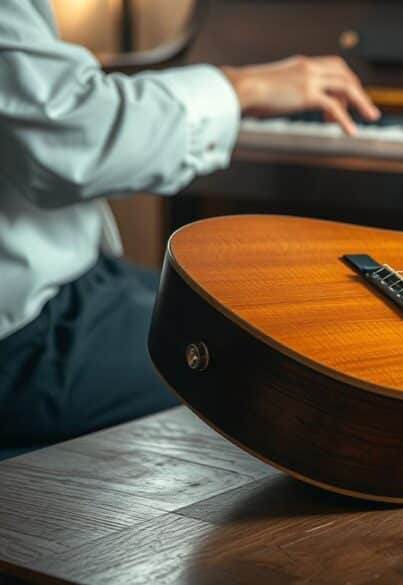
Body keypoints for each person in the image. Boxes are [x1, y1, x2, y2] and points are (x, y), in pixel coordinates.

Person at [0, 0, 379, 458]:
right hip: (28, 333)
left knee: (258, 317)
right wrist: (244, 87)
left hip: (75, 281)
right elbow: (73, 136)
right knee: (300, 369)